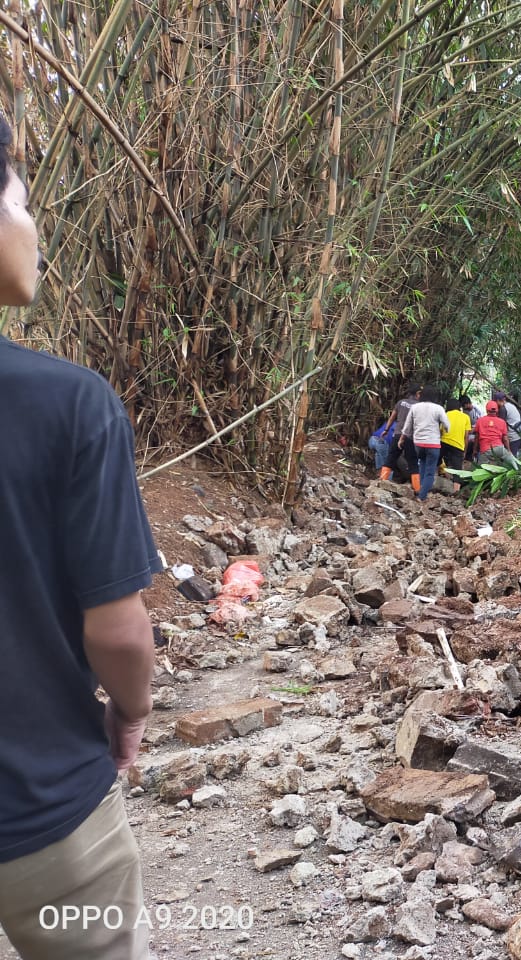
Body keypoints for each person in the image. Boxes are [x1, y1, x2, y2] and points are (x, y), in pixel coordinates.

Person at [0, 112, 158, 960]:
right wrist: (129, 714)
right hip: (46, 818)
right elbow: (119, 629)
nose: (33, 228)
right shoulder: (69, 404)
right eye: (22, 200)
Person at [399, 387, 451, 500]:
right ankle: (422, 496)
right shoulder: (438, 408)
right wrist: (443, 430)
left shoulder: (415, 407)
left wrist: (402, 439)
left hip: (418, 443)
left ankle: (420, 491)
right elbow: (447, 426)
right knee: (430, 472)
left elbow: (407, 426)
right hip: (433, 444)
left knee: (422, 465)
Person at [389, 383, 422, 481]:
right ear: (418, 394)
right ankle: (417, 489)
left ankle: (382, 481)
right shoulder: (419, 406)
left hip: (397, 434)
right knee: (413, 463)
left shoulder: (401, 402)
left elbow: (392, 418)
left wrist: (386, 430)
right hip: (410, 437)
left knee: (390, 459)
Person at [474, 400, 518, 468]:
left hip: (485, 450)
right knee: (512, 463)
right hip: (499, 449)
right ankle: (518, 472)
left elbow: (476, 438)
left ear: (486, 410)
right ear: (497, 410)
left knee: (481, 469)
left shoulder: (480, 421)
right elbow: (505, 439)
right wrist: (509, 451)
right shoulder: (502, 422)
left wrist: (475, 450)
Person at [440, 397, 471, 474]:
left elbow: (440, 431)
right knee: (457, 471)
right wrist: (464, 451)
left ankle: (442, 473)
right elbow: (466, 437)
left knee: (436, 459)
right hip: (458, 445)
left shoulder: (445, 414)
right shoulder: (466, 417)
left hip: (444, 443)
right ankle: (456, 484)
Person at [494, 391, 521, 456]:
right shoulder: (510, 405)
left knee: (511, 458)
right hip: (519, 433)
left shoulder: (503, 409)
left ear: (497, 400)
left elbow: (501, 426)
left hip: (513, 436)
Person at [369, 413, 396, 481]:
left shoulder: (390, 422)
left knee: (379, 454)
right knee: (387, 463)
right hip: (381, 443)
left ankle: (378, 474)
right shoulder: (400, 427)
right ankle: (387, 481)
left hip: (372, 440)